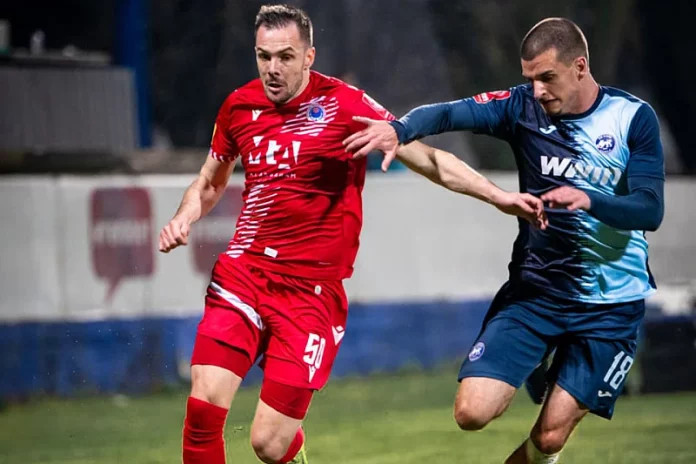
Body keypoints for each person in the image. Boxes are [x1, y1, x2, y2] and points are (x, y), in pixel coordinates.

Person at [158, 4, 546, 464]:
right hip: (244, 273)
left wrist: (498, 197)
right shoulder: (239, 106)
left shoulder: (346, 105)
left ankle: (290, 448)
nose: (272, 68)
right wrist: (185, 216)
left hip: (310, 293)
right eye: (264, 56)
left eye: (285, 57)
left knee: (269, 443)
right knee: (204, 407)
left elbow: (428, 160)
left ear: (309, 57)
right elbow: (210, 182)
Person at [343, 17, 665, 464]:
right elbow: (448, 112)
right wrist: (400, 130)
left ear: (579, 67)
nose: (537, 91)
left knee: (548, 438)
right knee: (471, 412)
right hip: (537, 293)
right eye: (530, 79)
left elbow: (650, 210)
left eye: (547, 77)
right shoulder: (520, 107)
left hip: (610, 306)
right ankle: (538, 358)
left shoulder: (632, 118)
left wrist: (590, 200)